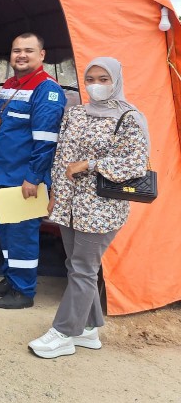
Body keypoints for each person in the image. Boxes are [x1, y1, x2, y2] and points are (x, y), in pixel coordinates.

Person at [28, 58, 149, 358]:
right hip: (69, 203)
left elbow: (134, 163)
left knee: (82, 268)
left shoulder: (129, 117)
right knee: (77, 267)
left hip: (101, 208)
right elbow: (60, 156)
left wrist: (91, 164)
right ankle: (88, 329)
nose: (96, 84)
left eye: (103, 78)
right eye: (91, 78)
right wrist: (55, 192)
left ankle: (64, 332)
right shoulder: (76, 113)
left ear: (116, 80)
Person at [0, 33, 66, 309]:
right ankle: (11, 279)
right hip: (3, 174)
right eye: (16, 50)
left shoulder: (47, 90)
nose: (21, 55)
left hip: (23, 179)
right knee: (6, 234)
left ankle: (24, 291)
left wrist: (34, 177)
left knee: (22, 236)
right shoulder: (11, 84)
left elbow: (45, 141)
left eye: (28, 50)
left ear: (42, 55)